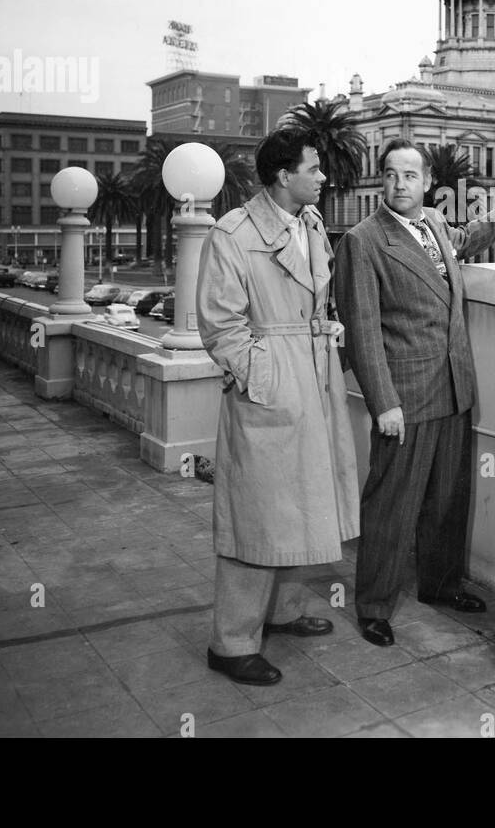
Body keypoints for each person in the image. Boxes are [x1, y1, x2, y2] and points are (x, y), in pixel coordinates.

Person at [334, 138, 495, 648]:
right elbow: (362, 327)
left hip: (453, 387)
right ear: (384, 180)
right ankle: (374, 605)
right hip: (405, 395)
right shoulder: (364, 240)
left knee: (447, 499)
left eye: (410, 175)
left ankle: (441, 586)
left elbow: (465, 237)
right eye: (391, 174)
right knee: (391, 504)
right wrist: (384, 402)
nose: (400, 183)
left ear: (426, 183)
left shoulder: (436, 225)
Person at [194, 128, 360, 686]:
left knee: (300, 502)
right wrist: (265, 379)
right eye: (313, 169)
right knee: (256, 509)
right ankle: (232, 641)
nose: (323, 177)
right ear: (283, 175)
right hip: (272, 386)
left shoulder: (310, 225)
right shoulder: (233, 234)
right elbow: (220, 327)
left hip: (313, 376)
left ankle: (281, 611)